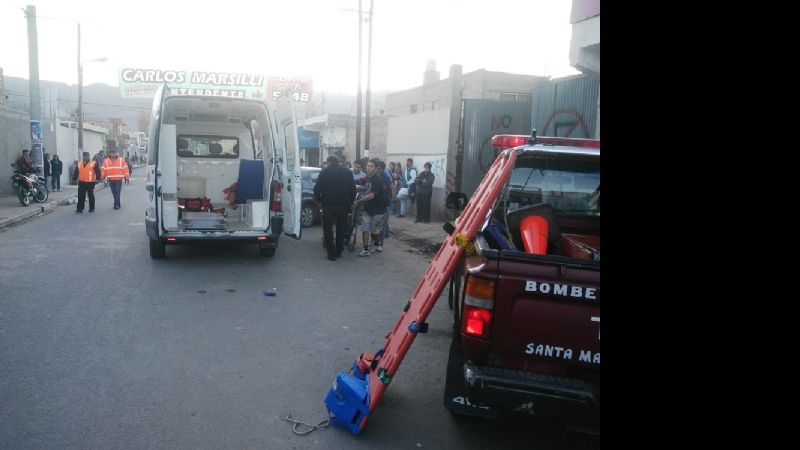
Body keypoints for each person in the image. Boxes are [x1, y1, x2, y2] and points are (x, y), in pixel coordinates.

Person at [314, 155, 357, 261]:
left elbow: (316, 190)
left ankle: (331, 253)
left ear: (329, 162)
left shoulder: (324, 173)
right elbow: (353, 190)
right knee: (341, 228)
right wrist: (350, 202)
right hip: (343, 206)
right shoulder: (347, 172)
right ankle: (339, 250)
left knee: (328, 229)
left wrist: (320, 201)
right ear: (338, 162)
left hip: (328, 205)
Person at [352, 159, 387, 257]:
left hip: (378, 209)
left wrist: (358, 201)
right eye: (367, 166)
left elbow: (371, 195)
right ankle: (365, 249)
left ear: (376, 168)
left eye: (371, 166)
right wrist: (359, 188)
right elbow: (367, 188)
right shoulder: (368, 177)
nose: (369, 168)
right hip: (368, 208)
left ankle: (376, 243)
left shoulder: (377, 179)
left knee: (375, 232)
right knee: (365, 229)